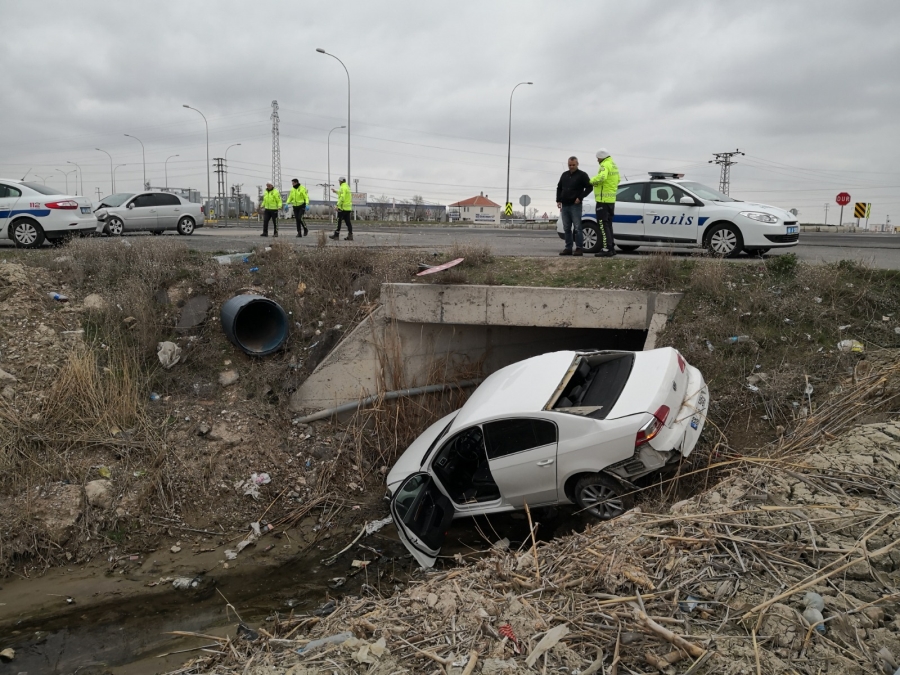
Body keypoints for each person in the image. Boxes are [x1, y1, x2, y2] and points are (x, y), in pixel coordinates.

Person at [556, 156, 592, 256]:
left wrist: (580, 197)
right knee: (566, 228)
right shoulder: (564, 175)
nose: (571, 167)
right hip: (565, 205)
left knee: (577, 228)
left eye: (573, 165)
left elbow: (589, 187)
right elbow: (559, 188)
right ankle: (568, 248)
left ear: (577, 164)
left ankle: (579, 248)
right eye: (570, 165)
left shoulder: (582, 175)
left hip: (575, 205)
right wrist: (558, 200)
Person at [590, 149, 621, 257]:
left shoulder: (604, 165)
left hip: (602, 200)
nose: (597, 160)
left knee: (603, 225)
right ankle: (611, 247)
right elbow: (618, 180)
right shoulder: (614, 165)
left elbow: (602, 177)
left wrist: (592, 181)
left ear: (601, 157)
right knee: (608, 225)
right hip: (611, 200)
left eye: (597, 158)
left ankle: (606, 248)